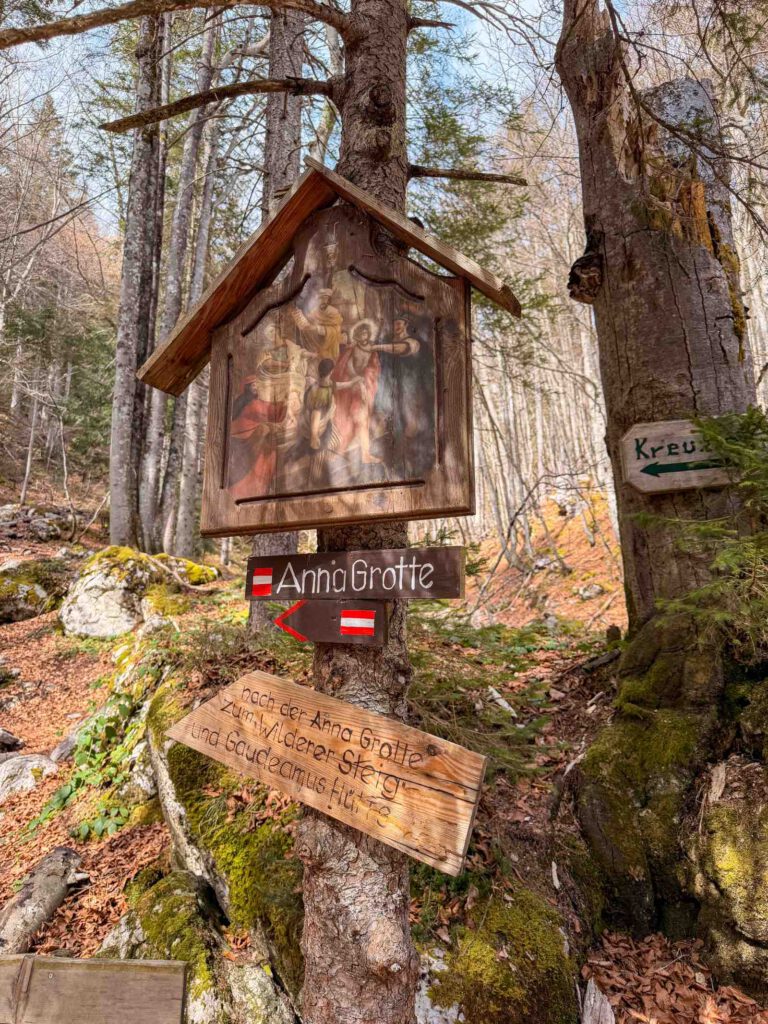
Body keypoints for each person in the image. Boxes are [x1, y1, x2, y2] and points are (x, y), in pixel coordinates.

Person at [332, 319, 383, 465]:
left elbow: (374, 369)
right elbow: (347, 365)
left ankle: (365, 454)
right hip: (351, 386)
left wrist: (364, 381)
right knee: (345, 420)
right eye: (360, 333)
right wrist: (355, 380)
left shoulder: (372, 351)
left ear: (368, 335)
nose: (363, 335)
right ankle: (341, 451)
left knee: (362, 421)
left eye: (365, 332)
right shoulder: (352, 349)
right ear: (357, 335)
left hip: (363, 389)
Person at [228, 376, 287, 499]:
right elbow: (272, 412)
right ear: (247, 388)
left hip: (240, 439)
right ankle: (260, 489)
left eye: (257, 385)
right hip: (245, 439)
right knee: (268, 452)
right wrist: (286, 400)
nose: (256, 388)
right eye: (253, 385)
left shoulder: (241, 401)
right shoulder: (253, 405)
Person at [291, 289, 344, 361]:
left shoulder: (333, 312)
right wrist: (300, 317)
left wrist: (317, 328)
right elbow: (308, 320)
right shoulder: (316, 311)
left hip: (329, 345)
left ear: (329, 300)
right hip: (316, 342)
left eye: (326, 298)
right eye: (321, 298)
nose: (323, 301)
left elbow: (336, 329)